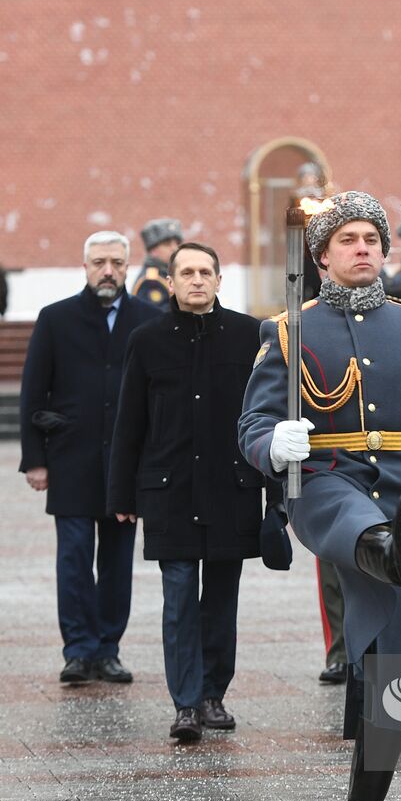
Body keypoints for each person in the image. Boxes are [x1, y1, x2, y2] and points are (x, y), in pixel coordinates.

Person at [238, 190, 401, 801]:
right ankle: (391, 547)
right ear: (322, 256)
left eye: (372, 237)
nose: (363, 247)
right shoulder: (286, 331)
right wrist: (272, 442)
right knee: (359, 521)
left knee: (397, 677)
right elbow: (251, 424)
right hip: (327, 483)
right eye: (348, 239)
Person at [108, 241, 273, 742]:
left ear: (220, 280)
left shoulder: (250, 336)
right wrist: (121, 496)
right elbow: (129, 421)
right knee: (178, 598)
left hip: (231, 489)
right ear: (171, 281)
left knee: (222, 598)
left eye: (206, 272)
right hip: (169, 489)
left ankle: (212, 695)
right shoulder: (147, 340)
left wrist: (277, 498)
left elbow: (265, 414)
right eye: (187, 272)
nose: (197, 280)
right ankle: (184, 703)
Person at [19, 230, 158, 685]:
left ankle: (108, 649)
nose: (108, 271)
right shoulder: (56, 319)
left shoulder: (148, 319)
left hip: (126, 464)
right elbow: (32, 392)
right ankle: (77, 650)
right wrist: (34, 460)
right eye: (99, 262)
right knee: (74, 559)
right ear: (85, 267)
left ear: (128, 266)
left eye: (117, 263)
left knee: (118, 562)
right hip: (71, 458)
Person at [133, 218, 181, 307]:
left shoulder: (171, 273)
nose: (174, 248)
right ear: (153, 250)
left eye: (177, 243)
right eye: (167, 244)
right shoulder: (150, 281)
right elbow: (157, 317)